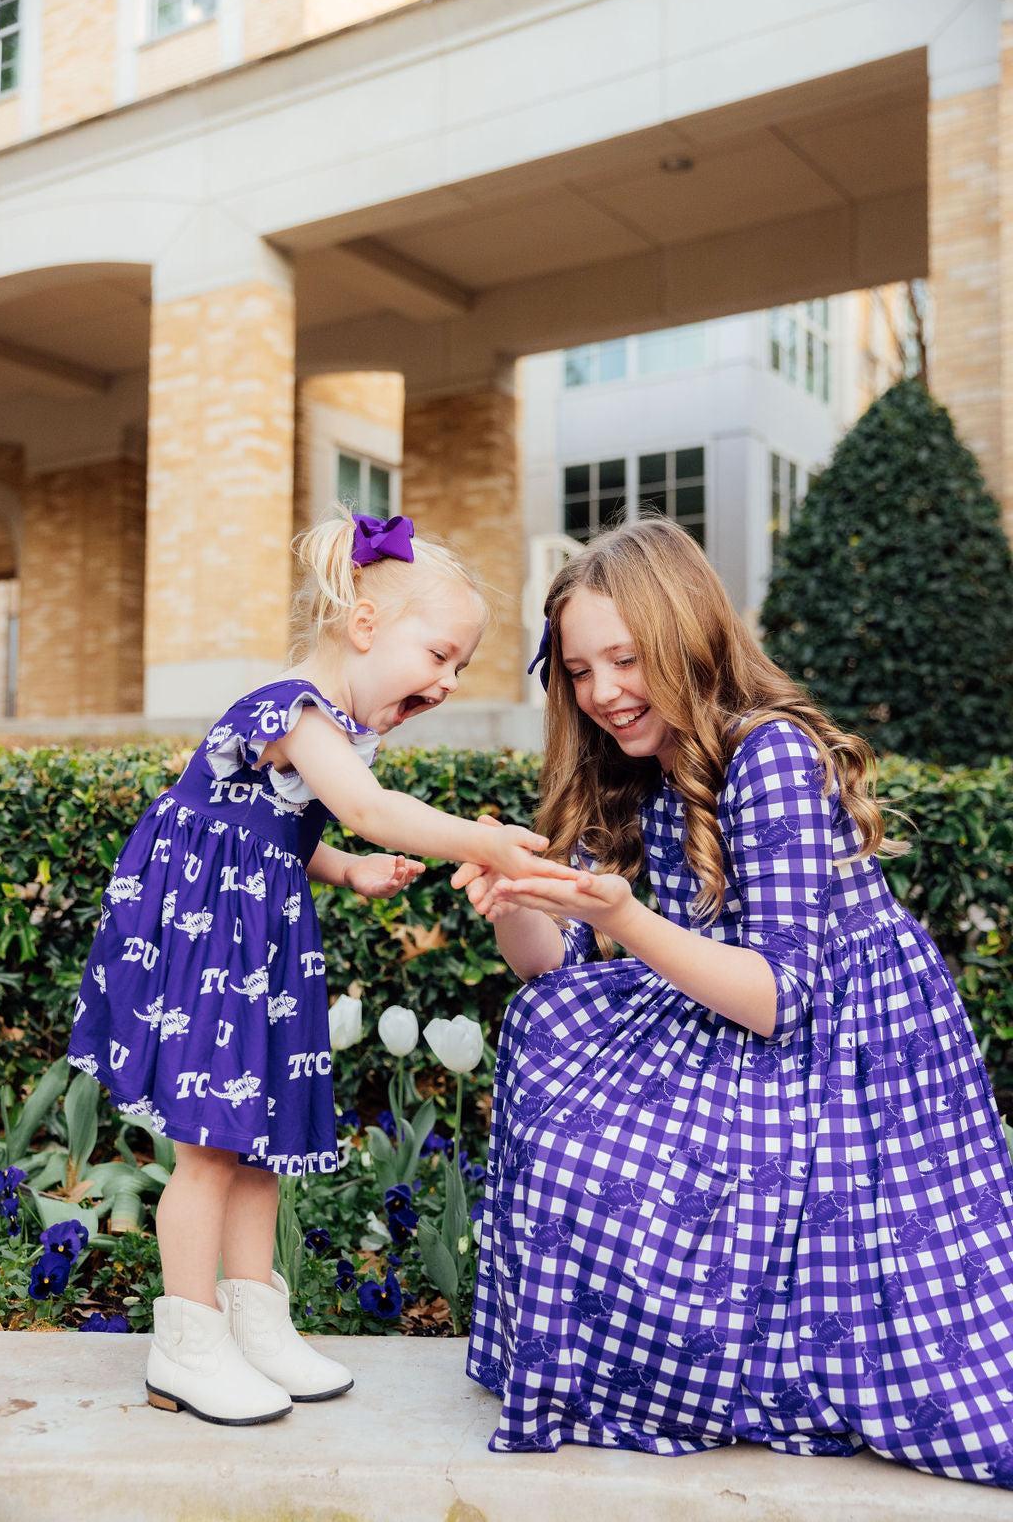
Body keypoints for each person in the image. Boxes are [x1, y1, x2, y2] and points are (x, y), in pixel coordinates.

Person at [453, 516, 1013, 1489]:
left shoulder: (770, 756)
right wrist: (513, 896)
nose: (603, 693)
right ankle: (637, 1358)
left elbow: (779, 996)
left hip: (838, 1055)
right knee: (549, 1051)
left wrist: (625, 917)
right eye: (580, 670)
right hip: (718, 1029)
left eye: (625, 659)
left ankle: (705, 1353)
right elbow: (553, 974)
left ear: (685, 636)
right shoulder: (631, 771)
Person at [69, 506, 573, 1428]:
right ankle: (184, 1341)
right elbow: (368, 806)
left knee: (255, 1150)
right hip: (207, 950)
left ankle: (256, 1324)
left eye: (460, 665)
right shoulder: (292, 709)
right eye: (440, 654)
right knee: (209, 1151)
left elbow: (274, 828)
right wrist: (486, 841)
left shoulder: (324, 726)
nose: (450, 680)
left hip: (252, 942)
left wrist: (343, 866)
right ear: (366, 626)